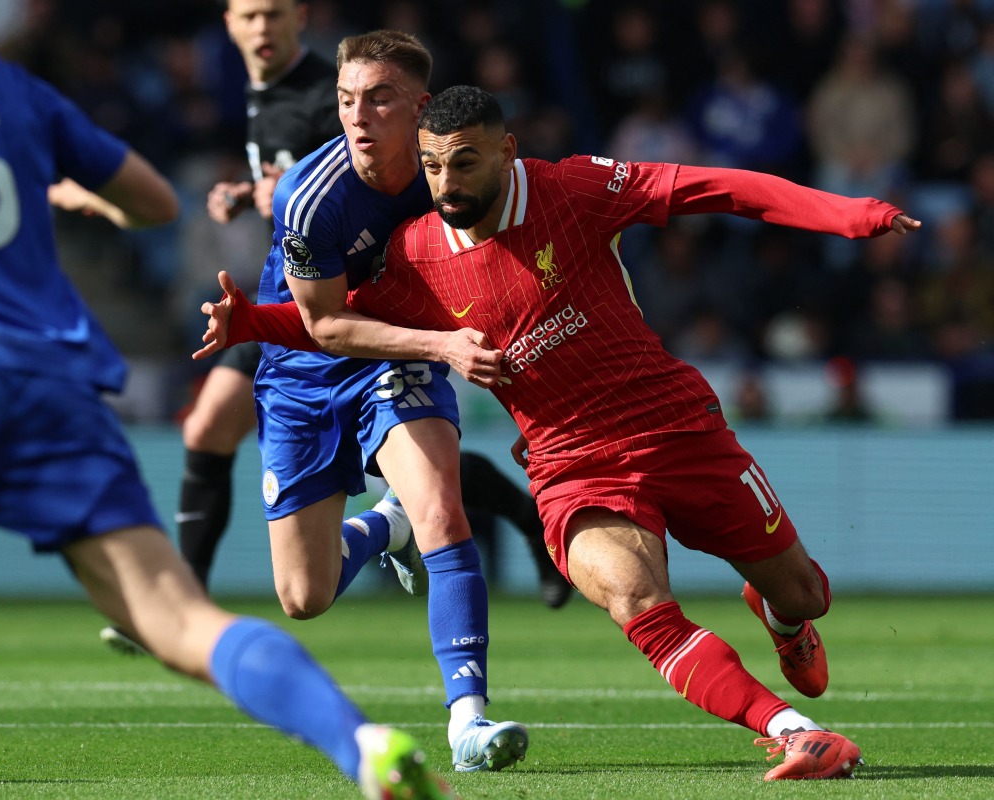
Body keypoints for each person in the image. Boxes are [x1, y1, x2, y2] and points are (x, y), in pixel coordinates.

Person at [0, 3, 456, 798]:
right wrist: (83, 198)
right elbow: (153, 201)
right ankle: (363, 745)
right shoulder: (9, 87)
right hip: (55, 389)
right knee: (179, 624)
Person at [198, 85, 925, 780]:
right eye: (431, 165)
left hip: (676, 427)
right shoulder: (417, 251)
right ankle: (795, 732)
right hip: (572, 466)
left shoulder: (573, 190)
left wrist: (850, 214)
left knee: (805, 593)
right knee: (637, 602)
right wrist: (251, 324)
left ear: (507, 151)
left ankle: (780, 615)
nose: (445, 182)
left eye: (464, 162)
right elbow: (342, 320)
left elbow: (718, 188)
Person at [166, 0, 568, 613]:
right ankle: (392, 525)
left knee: (430, 491)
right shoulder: (260, 98)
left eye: (272, 14)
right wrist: (253, 194)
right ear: (227, 25)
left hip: (371, 317)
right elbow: (302, 201)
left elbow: (338, 181)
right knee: (303, 596)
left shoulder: (334, 101)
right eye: (248, 16)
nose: (261, 28)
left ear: (299, 18)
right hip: (302, 314)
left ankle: (183, 596)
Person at [215, 31, 529, 773]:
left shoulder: (450, 172)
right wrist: (447, 346)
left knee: (445, 515)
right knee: (304, 596)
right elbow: (323, 324)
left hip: (397, 360)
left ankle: (467, 721)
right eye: (348, 99)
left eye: (381, 98)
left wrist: (448, 344)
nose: (359, 114)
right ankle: (386, 529)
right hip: (303, 370)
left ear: (420, 108)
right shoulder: (310, 193)